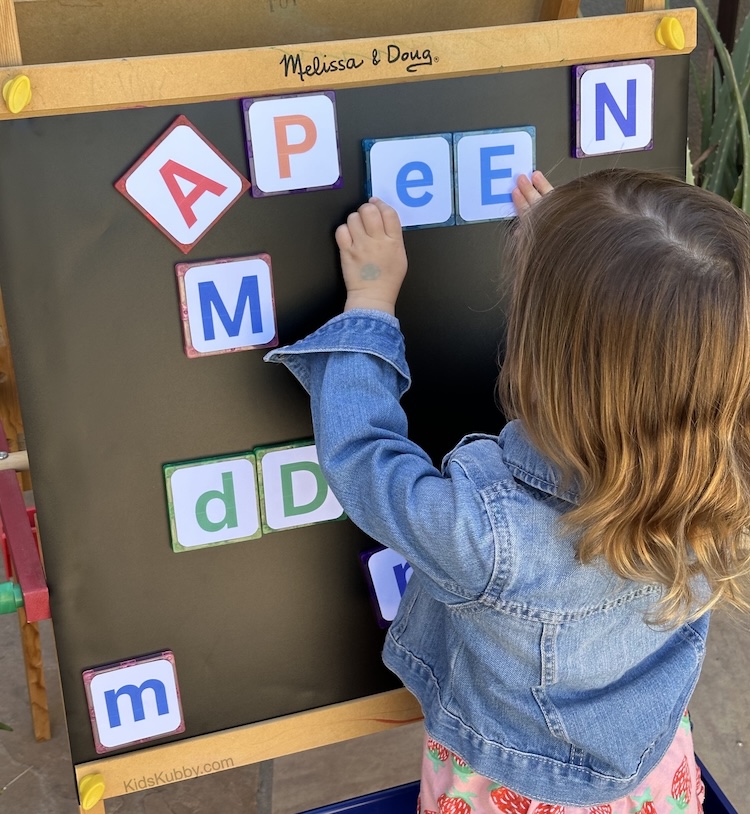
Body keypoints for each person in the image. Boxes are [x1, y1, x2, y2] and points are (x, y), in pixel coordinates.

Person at [265, 168, 750, 813]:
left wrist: (370, 305)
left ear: (541, 362)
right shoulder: (727, 487)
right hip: (647, 780)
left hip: (505, 795)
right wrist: (572, 252)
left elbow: (365, 459)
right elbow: (650, 352)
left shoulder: (487, 534)